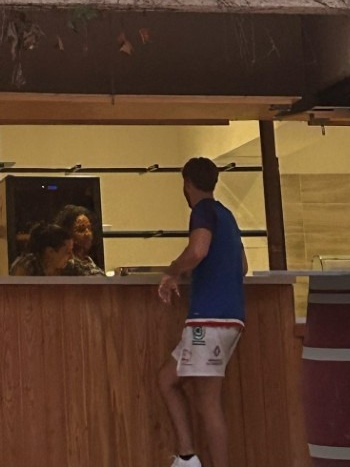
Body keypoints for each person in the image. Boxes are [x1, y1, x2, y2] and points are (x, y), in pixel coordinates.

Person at [156, 157, 247, 467]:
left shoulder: (202, 211)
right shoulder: (228, 215)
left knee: (208, 402)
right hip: (230, 317)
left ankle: (193, 460)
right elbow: (243, 266)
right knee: (167, 379)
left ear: (187, 184)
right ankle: (187, 457)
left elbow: (197, 250)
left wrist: (173, 271)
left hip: (208, 319)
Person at [8, 220, 73, 277]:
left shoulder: (69, 267)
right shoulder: (26, 266)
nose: (71, 257)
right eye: (67, 252)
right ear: (50, 252)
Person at [54, 204, 103, 275]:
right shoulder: (67, 264)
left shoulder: (87, 260)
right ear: (67, 234)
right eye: (81, 229)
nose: (88, 233)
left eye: (89, 228)